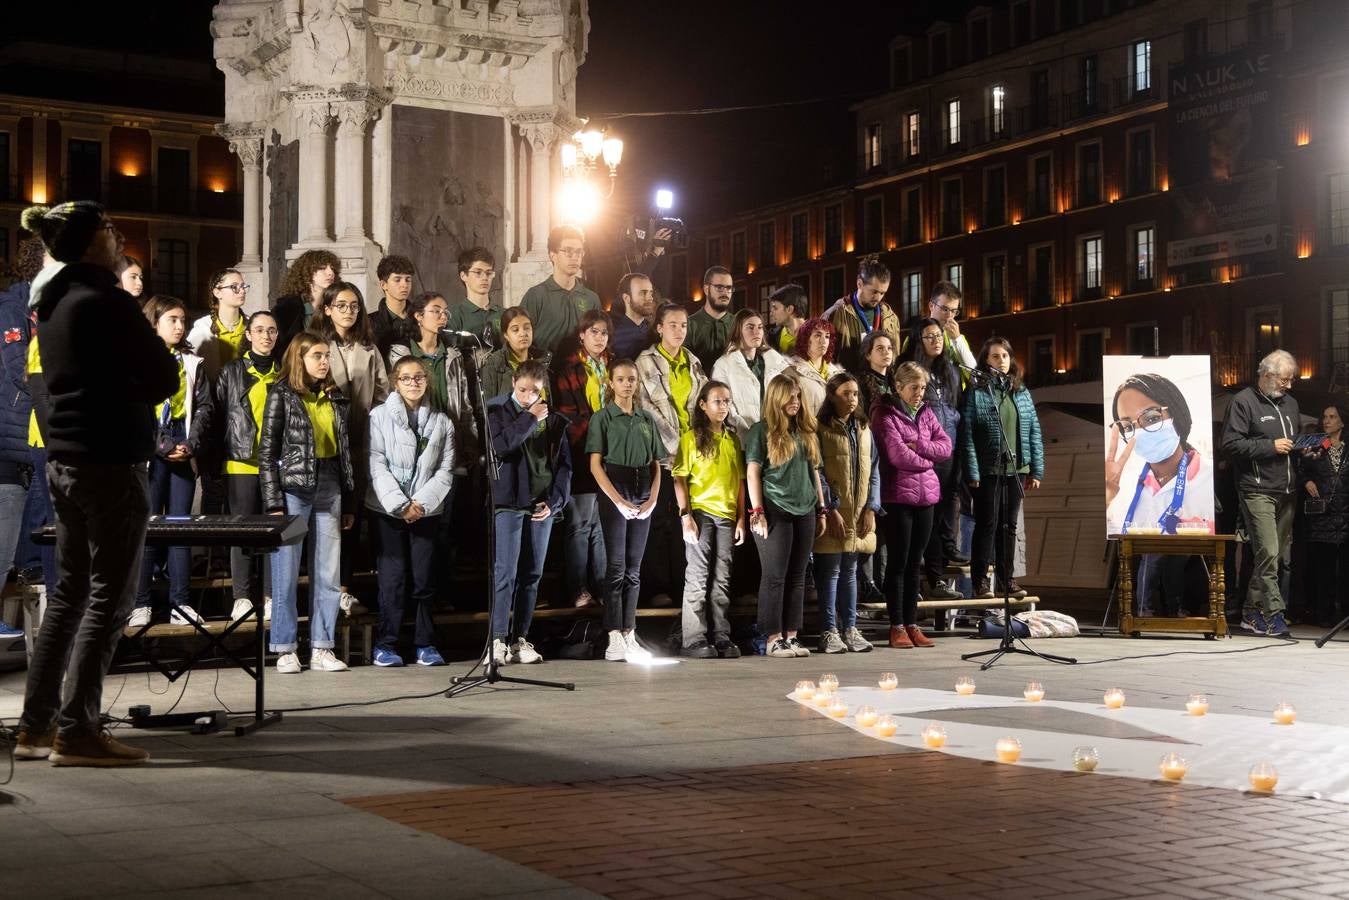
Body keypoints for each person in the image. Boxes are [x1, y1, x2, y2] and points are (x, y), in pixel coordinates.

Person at [15, 202, 177, 766]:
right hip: (110, 460)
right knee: (110, 597)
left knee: (70, 594)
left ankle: (35, 728)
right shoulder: (108, 300)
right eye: (109, 229)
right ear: (88, 243)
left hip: (66, 461)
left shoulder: (52, 299)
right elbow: (164, 375)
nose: (118, 236)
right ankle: (77, 731)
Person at [260, 332, 354, 674]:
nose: (324, 361)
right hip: (294, 489)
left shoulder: (335, 396)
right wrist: (273, 502)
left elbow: (346, 452)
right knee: (286, 569)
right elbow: (267, 454)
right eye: (317, 355)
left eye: (326, 355)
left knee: (328, 571)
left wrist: (351, 500)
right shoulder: (281, 394)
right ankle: (285, 646)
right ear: (299, 358)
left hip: (330, 485)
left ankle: (322, 647)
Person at [129, 296, 213, 628]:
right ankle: (141, 602)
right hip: (151, 445)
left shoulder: (192, 362)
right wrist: (160, 444)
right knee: (149, 524)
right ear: (154, 323)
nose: (180, 327)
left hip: (183, 439)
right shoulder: (138, 359)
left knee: (180, 524)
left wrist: (190, 444)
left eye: (182, 321)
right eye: (172, 320)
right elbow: (137, 406)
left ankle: (181, 602)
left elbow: (205, 406)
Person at [367, 357, 455, 667]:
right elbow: (376, 463)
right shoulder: (378, 417)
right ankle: (386, 643)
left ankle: (424, 643)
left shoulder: (443, 422)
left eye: (418, 377)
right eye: (406, 378)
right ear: (395, 382)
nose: (413, 383)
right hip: (388, 510)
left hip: (425, 511)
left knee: (423, 578)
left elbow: (446, 469)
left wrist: (421, 503)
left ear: (427, 381)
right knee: (392, 578)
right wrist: (400, 504)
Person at [484, 360, 572, 665]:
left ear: (542, 389)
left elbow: (563, 466)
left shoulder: (555, 420)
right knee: (505, 573)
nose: (527, 396)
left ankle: (520, 638)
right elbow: (500, 446)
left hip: (541, 504)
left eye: (534, 391)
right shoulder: (497, 412)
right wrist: (529, 419)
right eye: (522, 389)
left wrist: (556, 501)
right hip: (509, 502)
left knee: (532, 574)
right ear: (513, 384)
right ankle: (497, 640)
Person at [1107, 373, 1214, 616]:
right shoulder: (1124, 483)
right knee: (1151, 560)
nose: (1141, 431)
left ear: (1176, 414)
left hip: (1185, 536)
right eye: (1128, 426)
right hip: (1150, 536)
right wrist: (1109, 493)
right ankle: (1144, 610)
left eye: (1152, 417)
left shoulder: (1205, 474)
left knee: (1177, 563)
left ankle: (1175, 608)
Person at [314, 281, 390, 607]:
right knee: (326, 518)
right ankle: (323, 587)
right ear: (328, 308)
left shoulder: (369, 349)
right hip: (327, 444)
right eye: (341, 305)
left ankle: (344, 588)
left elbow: (383, 393)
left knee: (350, 517)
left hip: (359, 443)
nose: (349, 311)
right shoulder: (315, 344)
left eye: (354, 305)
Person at [746, 373, 827, 658]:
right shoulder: (761, 430)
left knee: (798, 576)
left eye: (798, 396)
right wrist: (757, 512)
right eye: (790, 396)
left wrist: (821, 508)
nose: (795, 402)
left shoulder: (806, 431)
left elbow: (813, 471)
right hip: (775, 508)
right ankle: (772, 638)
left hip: (805, 508)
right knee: (774, 576)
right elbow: (753, 472)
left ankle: (792, 635)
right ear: (776, 398)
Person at [1221, 349, 1300, 636]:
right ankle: (1273, 613)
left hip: (1287, 490)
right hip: (1256, 490)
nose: (1289, 386)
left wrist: (1307, 450)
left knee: (1274, 556)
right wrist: (1270, 446)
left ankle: (1251, 613)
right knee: (1268, 552)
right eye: (1284, 380)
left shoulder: (1290, 403)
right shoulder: (1242, 402)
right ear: (1267, 375)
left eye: (1291, 381)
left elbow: (1293, 442)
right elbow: (1230, 445)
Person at [587, 359, 663, 662]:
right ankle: (613, 634)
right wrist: (618, 500)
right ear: (611, 383)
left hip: (643, 486)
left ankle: (630, 631)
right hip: (615, 487)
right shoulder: (603, 418)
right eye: (621, 379)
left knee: (634, 569)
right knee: (616, 568)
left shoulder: (646, 419)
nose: (627, 384)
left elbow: (657, 464)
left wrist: (653, 500)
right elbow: (595, 465)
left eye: (632, 379)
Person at [873, 362, 952, 649]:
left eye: (922, 388)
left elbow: (946, 446)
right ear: (898, 386)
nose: (919, 393)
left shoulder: (926, 413)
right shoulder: (884, 414)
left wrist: (920, 446)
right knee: (898, 563)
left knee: (915, 564)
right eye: (913, 388)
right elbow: (897, 456)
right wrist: (929, 459)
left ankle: (913, 623)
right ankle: (896, 626)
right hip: (897, 499)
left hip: (926, 498)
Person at [961, 337, 1044, 602]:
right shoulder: (976, 393)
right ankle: (980, 581)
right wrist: (972, 471)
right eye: (995, 357)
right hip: (988, 470)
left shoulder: (1021, 392)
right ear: (985, 361)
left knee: (1009, 526)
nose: (1001, 361)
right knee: (987, 524)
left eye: (1005, 356)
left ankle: (1007, 580)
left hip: (1017, 468)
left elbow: (1034, 431)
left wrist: (1036, 470)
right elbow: (967, 435)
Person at [636, 302, 708, 605]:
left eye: (684, 325)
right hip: (663, 457)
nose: (679, 331)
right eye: (673, 324)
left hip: (692, 459)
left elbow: (702, 402)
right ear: (660, 327)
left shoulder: (693, 361)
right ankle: (659, 588)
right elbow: (647, 408)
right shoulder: (645, 362)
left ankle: (684, 585)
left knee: (688, 521)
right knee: (660, 522)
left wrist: (696, 446)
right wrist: (678, 447)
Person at [217, 310, 282, 622]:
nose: (265, 336)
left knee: (272, 532)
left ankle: (270, 595)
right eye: (259, 330)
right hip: (241, 461)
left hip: (276, 463)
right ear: (248, 335)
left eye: (271, 330)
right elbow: (220, 414)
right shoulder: (231, 371)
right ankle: (242, 597)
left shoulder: (284, 372)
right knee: (242, 529)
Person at [673, 381, 745, 658]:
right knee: (698, 576)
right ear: (703, 405)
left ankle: (721, 635)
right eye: (717, 401)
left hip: (726, 516)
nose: (723, 406)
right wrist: (685, 516)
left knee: (722, 577)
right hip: (701, 512)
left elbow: (739, 481)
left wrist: (741, 517)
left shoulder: (732, 439)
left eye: (727, 401)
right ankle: (694, 637)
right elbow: (679, 478)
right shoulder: (691, 438)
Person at [900, 317, 966, 601]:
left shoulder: (949, 370)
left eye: (939, 335)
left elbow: (955, 409)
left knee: (943, 513)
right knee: (923, 519)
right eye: (929, 336)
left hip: (947, 450)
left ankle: (938, 576)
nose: (936, 340)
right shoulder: (911, 372)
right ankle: (917, 581)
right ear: (918, 340)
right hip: (921, 453)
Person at [815, 372, 880, 654]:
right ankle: (829, 630)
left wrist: (872, 507)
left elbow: (874, 470)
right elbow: (817, 471)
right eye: (845, 393)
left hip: (859, 512)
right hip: (834, 513)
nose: (852, 399)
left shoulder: (864, 428)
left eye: (855, 394)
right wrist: (829, 508)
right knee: (830, 572)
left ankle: (850, 628)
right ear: (832, 396)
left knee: (851, 571)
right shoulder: (821, 428)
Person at [553, 309, 612, 608]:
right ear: (581, 334)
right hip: (580, 452)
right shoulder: (569, 370)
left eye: (603, 333)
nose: (599, 338)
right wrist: (598, 429)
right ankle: (578, 588)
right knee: (579, 524)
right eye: (594, 332)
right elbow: (566, 415)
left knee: (602, 525)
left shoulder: (613, 366)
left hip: (612, 455)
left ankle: (602, 586)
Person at [0, 240, 35, 638]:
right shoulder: (12, 309)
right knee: (4, 540)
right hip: (9, 443)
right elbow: (18, 369)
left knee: (25, 548)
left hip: (37, 442)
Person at [1298, 403, 1349, 627]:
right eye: (1325, 416)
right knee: (1323, 570)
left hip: (1346, 515)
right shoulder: (1316, 445)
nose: (1327, 420)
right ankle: (1324, 616)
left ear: (1342, 422)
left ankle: (1345, 617)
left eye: (1332, 417)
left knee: (1346, 572)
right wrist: (1306, 480)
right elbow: (1299, 468)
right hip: (1323, 516)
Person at [519, 225, 599, 361]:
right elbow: (519, 342)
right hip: (544, 376)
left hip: (581, 377)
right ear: (553, 255)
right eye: (568, 251)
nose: (575, 257)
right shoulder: (535, 296)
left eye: (579, 252)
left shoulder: (592, 299)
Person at [713, 308, 790, 440]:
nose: (757, 332)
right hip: (742, 438)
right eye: (750, 327)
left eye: (760, 327)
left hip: (775, 436)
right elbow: (725, 406)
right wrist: (747, 433)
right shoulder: (723, 365)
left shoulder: (774, 361)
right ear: (738, 331)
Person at [824, 255, 901, 375]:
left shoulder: (891, 318)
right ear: (859, 284)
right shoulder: (836, 314)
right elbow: (823, 360)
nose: (878, 298)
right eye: (874, 292)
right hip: (850, 387)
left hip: (881, 387)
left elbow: (895, 358)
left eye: (882, 293)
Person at [187, 268, 251, 384]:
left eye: (243, 286)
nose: (242, 291)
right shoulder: (202, 329)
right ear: (217, 292)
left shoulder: (252, 326)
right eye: (234, 287)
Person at [272, 249, 340, 357]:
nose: (330, 273)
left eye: (332, 268)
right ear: (307, 272)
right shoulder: (286, 310)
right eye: (322, 268)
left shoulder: (337, 306)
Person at [480, 307, 553, 402]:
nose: (523, 333)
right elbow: (485, 410)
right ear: (506, 335)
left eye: (527, 328)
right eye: (515, 330)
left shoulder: (542, 362)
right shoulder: (493, 365)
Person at [446, 247, 502, 355]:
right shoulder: (453, 316)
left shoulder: (504, 314)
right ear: (463, 276)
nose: (485, 278)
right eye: (478, 272)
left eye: (489, 273)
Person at [787, 317, 844, 414]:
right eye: (818, 335)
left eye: (827, 336)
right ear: (805, 339)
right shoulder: (791, 370)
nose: (823, 341)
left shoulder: (837, 372)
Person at [685, 266, 735, 374]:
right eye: (719, 288)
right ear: (706, 289)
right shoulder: (689, 325)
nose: (725, 293)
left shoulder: (739, 324)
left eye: (729, 288)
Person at [368, 255, 416, 360]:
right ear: (383, 284)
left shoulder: (420, 319)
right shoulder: (369, 322)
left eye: (408, 280)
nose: (404, 285)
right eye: (397, 280)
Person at [609, 272, 656, 361]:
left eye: (650, 293)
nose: (650, 298)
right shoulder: (611, 333)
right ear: (626, 298)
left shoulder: (655, 331)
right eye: (643, 293)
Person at [767, 283, 808, 356]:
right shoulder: (771, 337)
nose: (771, 314)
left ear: (789, 309)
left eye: (775, 308)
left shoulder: (819, 335)